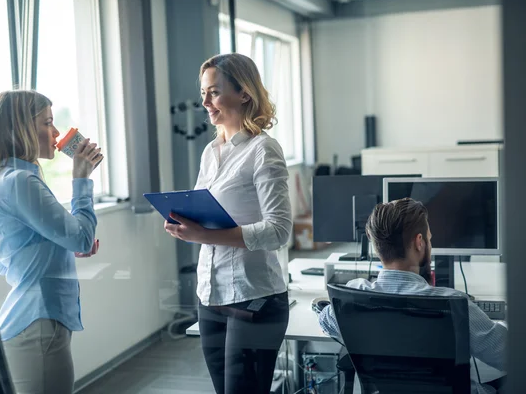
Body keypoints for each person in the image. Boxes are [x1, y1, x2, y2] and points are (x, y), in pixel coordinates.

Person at [163, 53, 292, 394]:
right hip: (210, 295)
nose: (204, 101)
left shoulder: (264, 150)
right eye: (204, 92)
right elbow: (205, 211)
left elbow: (279, 230)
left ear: (244, 93)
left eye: (214, 92)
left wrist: (204, 234)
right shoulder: (211, 151)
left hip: (254, 297)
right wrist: (184, 222)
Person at [317, 198, 507, 394]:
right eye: (429, 239)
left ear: (375, 245)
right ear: (419, 242)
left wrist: (323, 306)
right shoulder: (453, 303)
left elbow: (326, 320)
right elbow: (508, 355)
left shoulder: (354, 295)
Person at [0, 90, 102, 393]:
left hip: (37, 320)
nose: (57, 133)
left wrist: (64, 245)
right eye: (48, 122)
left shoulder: (12, 179)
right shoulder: (21, 182)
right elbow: (83, 239)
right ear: (20, 128)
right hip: (37, 323)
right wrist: (82, 178)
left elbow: (35, 245)